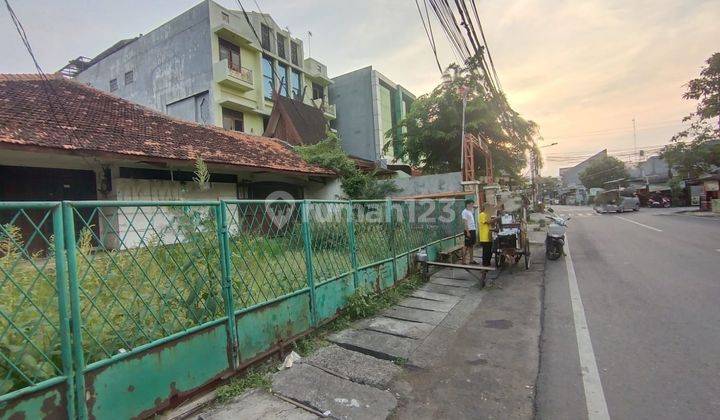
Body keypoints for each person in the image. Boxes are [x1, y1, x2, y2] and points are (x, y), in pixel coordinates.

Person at [461, 198, 477, 265]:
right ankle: (463, 261)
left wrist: (473, 206)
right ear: (467, 204)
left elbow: (476, 206)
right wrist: (467, 232)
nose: (472, 205)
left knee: (471, 245)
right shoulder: (464, 212)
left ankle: (471, 260)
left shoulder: (470, 211)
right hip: (469, 230)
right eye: (471, 204)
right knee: (466, 245)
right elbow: (465, 223)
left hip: (473, 229)